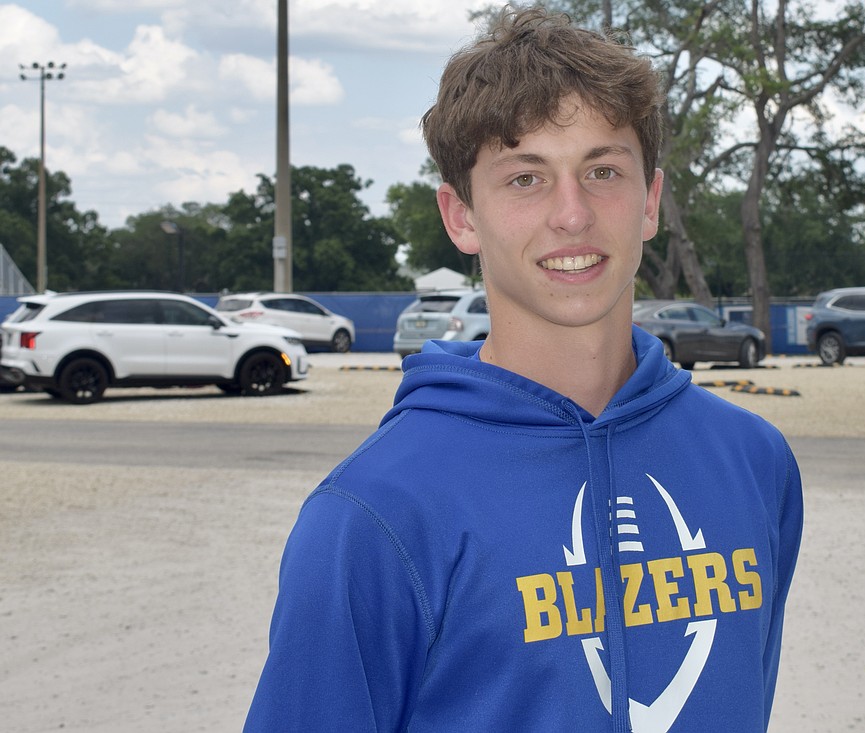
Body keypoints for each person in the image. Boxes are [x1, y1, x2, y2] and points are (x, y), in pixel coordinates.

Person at [245, 6, 802, 732]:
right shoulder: (373, 515)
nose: (572, 215)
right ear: (461, 216)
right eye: (525, 179)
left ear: (650, 201)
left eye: (603, 170)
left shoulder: (753, 464)